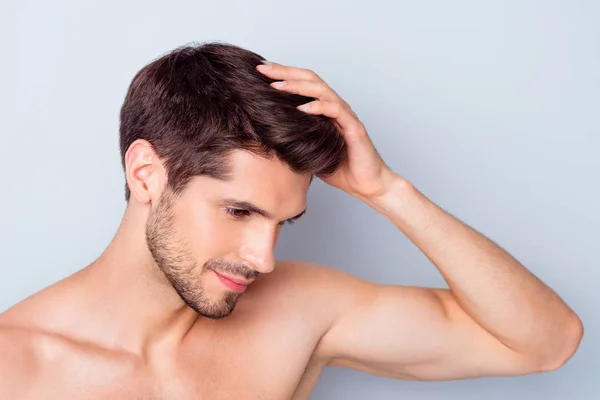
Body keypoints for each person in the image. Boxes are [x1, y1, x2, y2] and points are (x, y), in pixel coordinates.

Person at [0, 41, 583, 400]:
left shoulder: (296, 314)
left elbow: (545, 344)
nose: (263, 258)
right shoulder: (15, 368)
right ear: (147, 174)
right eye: (239, 211)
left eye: (284, 223)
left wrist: (386, 191)